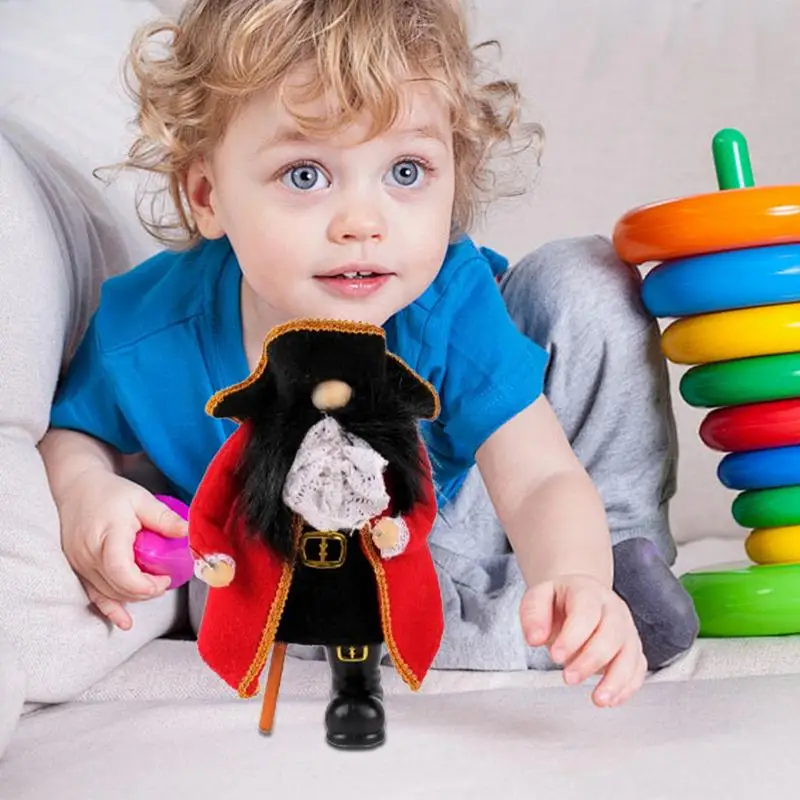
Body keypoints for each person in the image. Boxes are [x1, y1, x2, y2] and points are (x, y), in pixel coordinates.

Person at [40, 0, 698, 711]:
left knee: (587, 279)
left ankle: (616, 583)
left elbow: (537, 476)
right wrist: (85, 492)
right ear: (207, 196)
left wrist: (577, 576)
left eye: (406, 172)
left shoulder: (445, 301)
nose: (363, 223)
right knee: (248, 591)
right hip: (342, 551)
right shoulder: (151, 332)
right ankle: (523, 619)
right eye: (305, 175)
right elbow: (74, 433)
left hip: (480, 498)